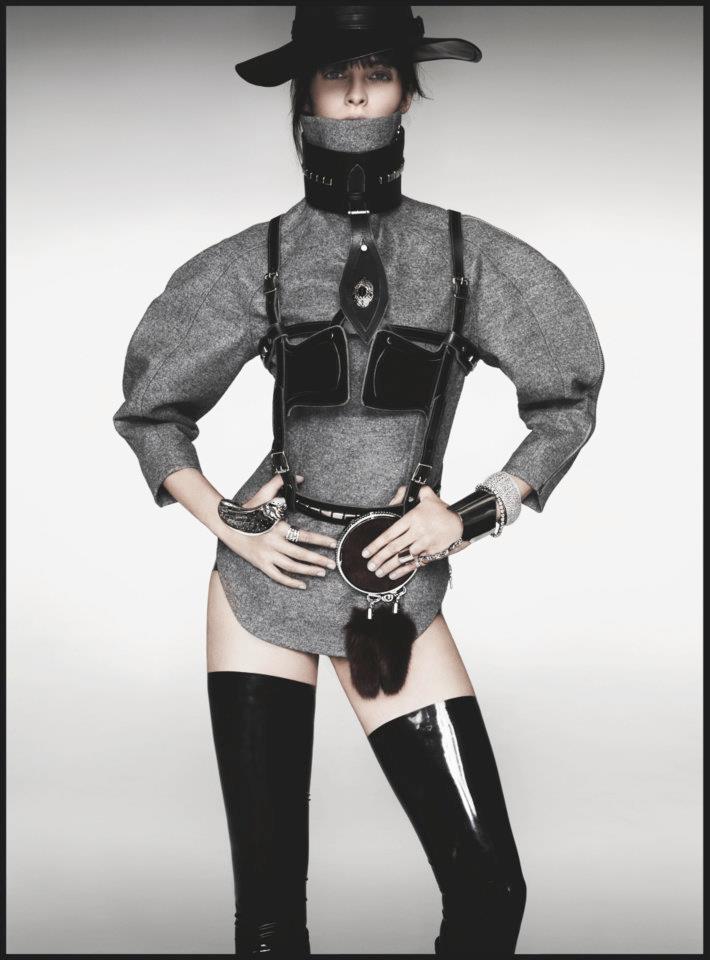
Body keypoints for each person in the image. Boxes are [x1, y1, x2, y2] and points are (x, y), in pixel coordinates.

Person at [113, 5, 605, 956]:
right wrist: (231, 522)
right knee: (268, 919)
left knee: (490, 892)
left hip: (390, 585)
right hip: (267, 582)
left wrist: (472, 514)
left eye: (376, 70)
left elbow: (566, 402)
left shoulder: (468, 255)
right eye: (335, 71)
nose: (353, 91)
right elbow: (151, 413)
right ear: (301, 93)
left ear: (408, 93)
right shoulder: (258, 259)